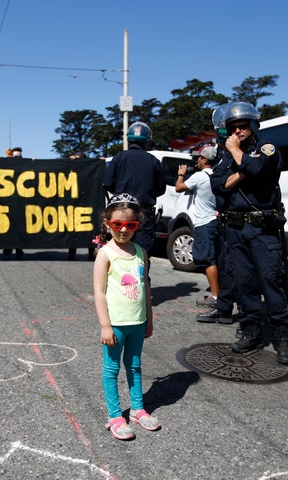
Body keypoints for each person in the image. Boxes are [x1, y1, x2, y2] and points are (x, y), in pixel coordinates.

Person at [210, 102, 288, 365]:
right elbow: (218, 185)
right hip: (235, 228)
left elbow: (259, 169)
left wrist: (238, 157)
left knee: (271, 281)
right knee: (243, 283)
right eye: (233, 128)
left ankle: (283, 337)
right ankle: (251, 330)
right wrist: (242, 169)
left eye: (243, 126)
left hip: (262, 228)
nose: (238, 132)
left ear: (253, 126)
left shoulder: (266, 148)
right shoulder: (225, 156)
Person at [93, 193, 160, 440]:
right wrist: (104, 325)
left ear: (137, 225)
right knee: (111, 369)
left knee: (134, 366)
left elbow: (146, 288)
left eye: (130, 225)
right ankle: (114, 415)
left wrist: (149, 319)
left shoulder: (141, 251)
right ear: (108, 223)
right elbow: (99, 292)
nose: (123, 230)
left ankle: (138, 409)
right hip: (115, 325)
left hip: (137, 322)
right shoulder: (105, 253)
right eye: (117, 224)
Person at [174, 145, 232, 324]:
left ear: (205, 159)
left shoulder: (199, 176)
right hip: (216, 222)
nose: (196, 161)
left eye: (198, 158)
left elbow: (178, 188)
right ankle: (220, 295)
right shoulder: (217, 176)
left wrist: (181, 173)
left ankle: (215, 297)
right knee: (216, 258)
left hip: (203, 224)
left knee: (208, 260)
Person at [103, 122, 166, 258]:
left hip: (121, 212)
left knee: (120, 250)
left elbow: (107, 183)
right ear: (147, 140)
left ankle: (120, 278)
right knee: (142, 253)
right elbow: (161, 189)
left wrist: (121, 196)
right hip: (144, 213)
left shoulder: (119, 157)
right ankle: (142, 278)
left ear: (129, 138)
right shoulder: (154, 161)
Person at [68, 152, 96, 260]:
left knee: (89, 229)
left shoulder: (90, 172)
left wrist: (99, 162)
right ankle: (71, 253)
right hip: (73, 204)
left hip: (88, 203)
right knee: (72, 229)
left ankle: (91, 252)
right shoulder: (71, 170)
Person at [4, 147, 25, 259]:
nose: (18, 158)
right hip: (8, 202)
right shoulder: (5, 164)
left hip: (20, 203)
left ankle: (19, 248)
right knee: (8, 226)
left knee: (19, 227)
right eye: (16, 156)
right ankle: (8, 247)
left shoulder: (25, 165)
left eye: (20, 156)